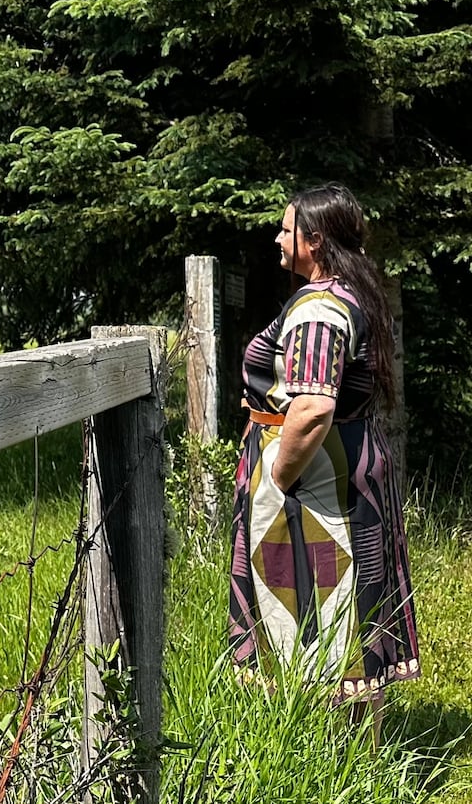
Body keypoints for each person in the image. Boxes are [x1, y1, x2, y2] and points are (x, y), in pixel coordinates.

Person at [228, 183, 420, 742]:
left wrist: (275, 481)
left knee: (315, 612)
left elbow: (311, 409)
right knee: (349, 610)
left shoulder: (317, 309)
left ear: (314, 240)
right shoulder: (353, 293)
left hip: (315, 486)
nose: (278, 238)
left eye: (287, 229)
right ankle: (362, 755)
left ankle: (322, 751)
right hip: (349, 471)